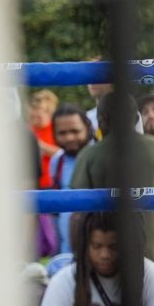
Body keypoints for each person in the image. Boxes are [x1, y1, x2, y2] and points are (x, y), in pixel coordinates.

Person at [70, 91, 154, 265]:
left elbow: (77, 214)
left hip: (103, 256)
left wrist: (79, 256)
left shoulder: (89, 156)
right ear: (136, 119)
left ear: (101, 121)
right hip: (152, 251)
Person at [46, 105, 93, 258]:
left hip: (98, 253)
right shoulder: (57, 161)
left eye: (75, 131)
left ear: (87, 128)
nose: (69, 138)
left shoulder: (100, 157)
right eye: (62, 133)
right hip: (66, 254)